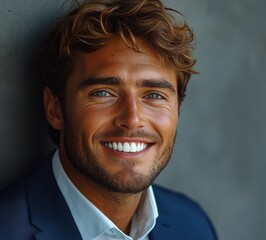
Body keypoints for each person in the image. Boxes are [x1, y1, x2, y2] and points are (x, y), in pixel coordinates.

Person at [0, 0, 218, 239]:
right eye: (103, 93)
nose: (132, 119)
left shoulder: (193, 225)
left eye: (154, 95)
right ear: (55, 110)